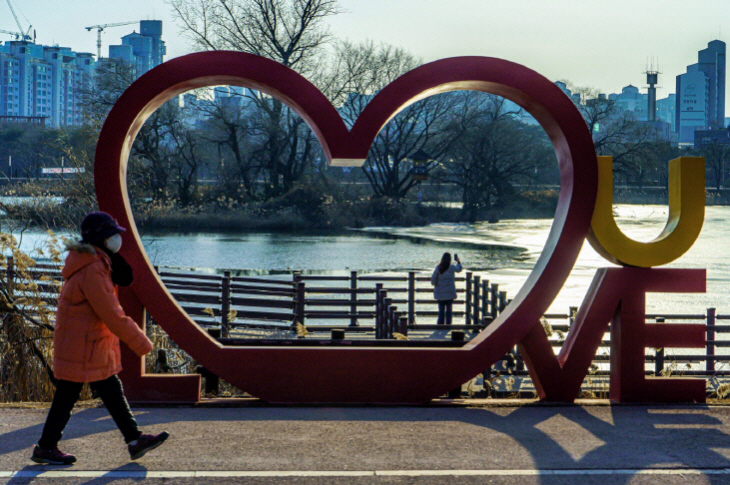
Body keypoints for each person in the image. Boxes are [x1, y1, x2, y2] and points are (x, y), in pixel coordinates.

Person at [31, 212, 169, 465]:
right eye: (112, 234)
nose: (117, 239)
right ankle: (46, 447)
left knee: (107, 390)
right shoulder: (92, 269)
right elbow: (111, 313)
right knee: (69, 396)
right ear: (102, 239)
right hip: (82, 345)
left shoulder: (94, 262)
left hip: (87, 343)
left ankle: (134, 439)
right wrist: (141, 342)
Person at [431, 252, 463, 325]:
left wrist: (435, 284)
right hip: (449, 293)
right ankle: (448, 324)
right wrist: (458, 261)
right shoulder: (451, 267)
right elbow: (459, 269)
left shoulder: (438, 267)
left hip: (440, 293)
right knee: (449, 310)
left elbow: (433, 279)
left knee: (441, 310)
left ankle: (440, 324)